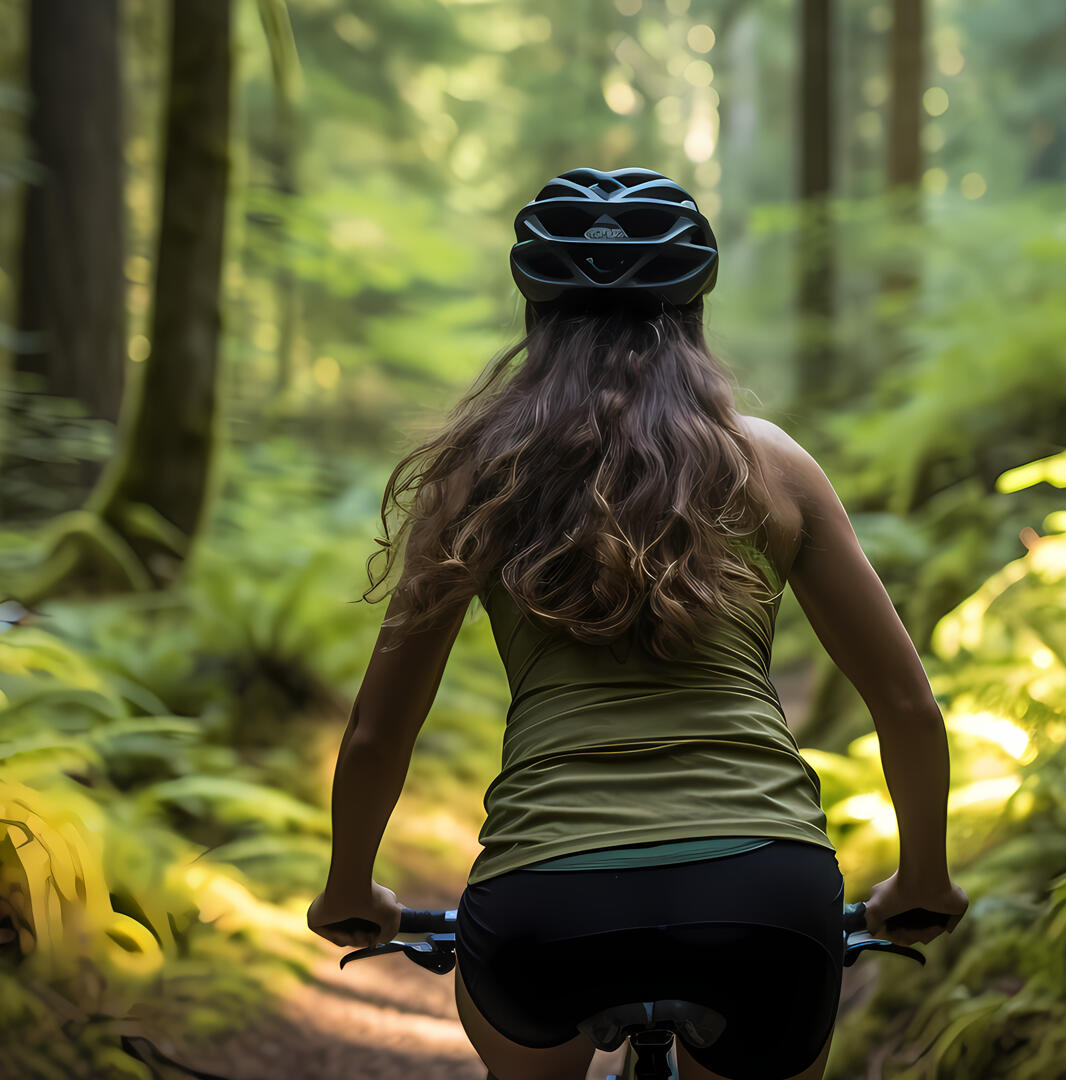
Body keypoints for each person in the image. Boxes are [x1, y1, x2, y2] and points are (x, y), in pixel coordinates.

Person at [308, 167, 968, 1080]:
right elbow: (907, 707)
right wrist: (923, 878)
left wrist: (351, 887)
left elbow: (381, 731)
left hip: (547, 902)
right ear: (694, 311)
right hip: (766, 897)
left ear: (533, 314)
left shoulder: (474, 475)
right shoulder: (772, 467)